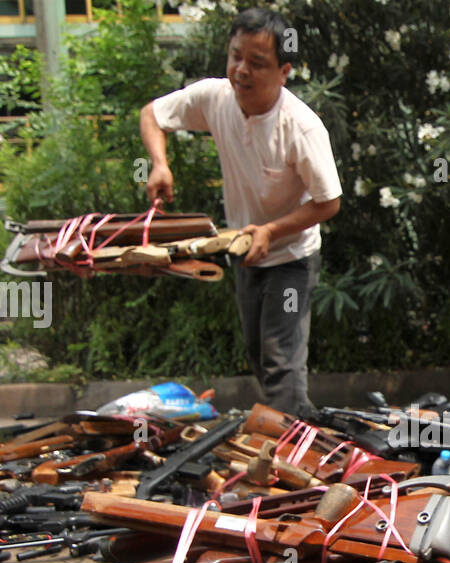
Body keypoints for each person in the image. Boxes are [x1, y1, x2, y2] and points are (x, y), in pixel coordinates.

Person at [140, 6, 341, 417]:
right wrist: (160, 163)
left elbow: (328, 202)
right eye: (236, 57)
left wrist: (271, 230)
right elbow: (152, 115)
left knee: (280, 360)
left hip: (291, 261)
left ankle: (287, 451)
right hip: (243, 253)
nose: (241, 71)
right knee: (259, 356)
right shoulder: (216, 98)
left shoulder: (301, 127)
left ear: (284, 71)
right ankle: (303, 436)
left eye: (257, 63)